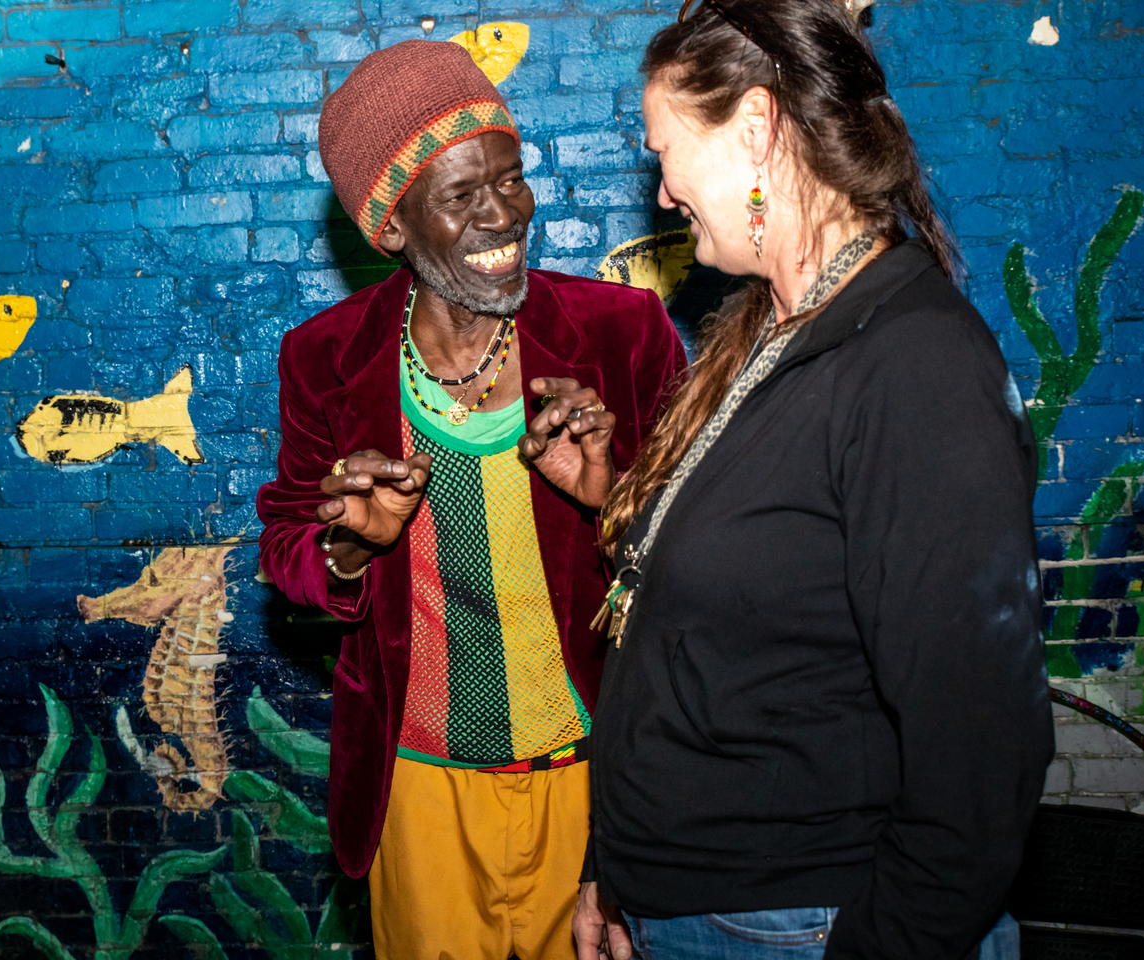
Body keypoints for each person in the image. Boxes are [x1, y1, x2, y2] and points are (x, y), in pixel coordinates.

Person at [569, 1, 1055, 959]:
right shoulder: (769, 330)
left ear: (755, 129)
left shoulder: (915, 366)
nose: (663, 192)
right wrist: (620, 869)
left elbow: (979, 753)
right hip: (702, 903)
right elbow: (704, 618)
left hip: (798, 923)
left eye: (666, 150)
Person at [255, 39, 685, 960]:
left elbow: (700, 553)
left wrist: (612, 496)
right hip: (419, 791)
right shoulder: (327, 361)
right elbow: (285, 548)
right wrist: (349, 550)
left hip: (594, 781)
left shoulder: (622, 333)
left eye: (512, 178)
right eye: (461, 196)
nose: (505, 215)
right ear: (394, 226)